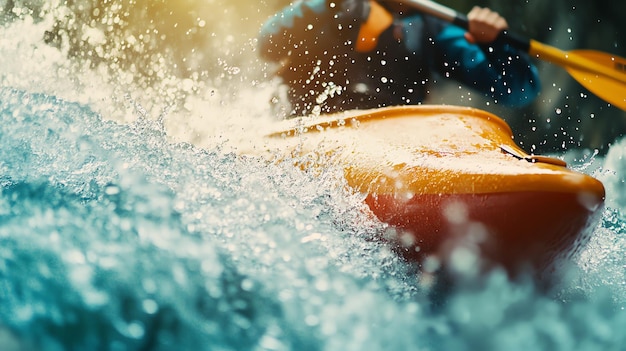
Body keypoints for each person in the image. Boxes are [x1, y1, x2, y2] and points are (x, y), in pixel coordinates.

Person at [257, 0, 541, 117]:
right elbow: (267, 45)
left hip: (393, 141)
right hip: (304, 124)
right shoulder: (321, 8)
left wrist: (496, 47)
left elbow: (517, 91)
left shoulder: (430, 27)